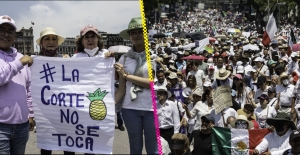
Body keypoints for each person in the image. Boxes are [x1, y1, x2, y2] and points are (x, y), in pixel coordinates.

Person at [114, 17, 157, 154]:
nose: (136, 35)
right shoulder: (124, 58)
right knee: (135, 148)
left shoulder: (154, 57)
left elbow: (151, 83)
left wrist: (127, 76)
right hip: (130, 108)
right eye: (133, 32)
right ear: (130, 36)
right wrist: (111, 104)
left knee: (153, 149)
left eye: (140, 31)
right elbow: (121, 88)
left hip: (151, 108)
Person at [35, 27, 80, 155]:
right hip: (47, 111)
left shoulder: (65, 59)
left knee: (69, 145)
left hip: (66, 111)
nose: (51, 42)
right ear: (41, 43)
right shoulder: (35, 62)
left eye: (54, 39)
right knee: (46, 147)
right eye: (47, 39)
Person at [0, 15, 34, 154]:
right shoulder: (21, 60)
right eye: (2, 30)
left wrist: (31, 114)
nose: (6, 35)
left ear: (14, 36)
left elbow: (29, 88)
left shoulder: (21, 57)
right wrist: (19, 63)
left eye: (10, 32)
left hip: (22, 125)